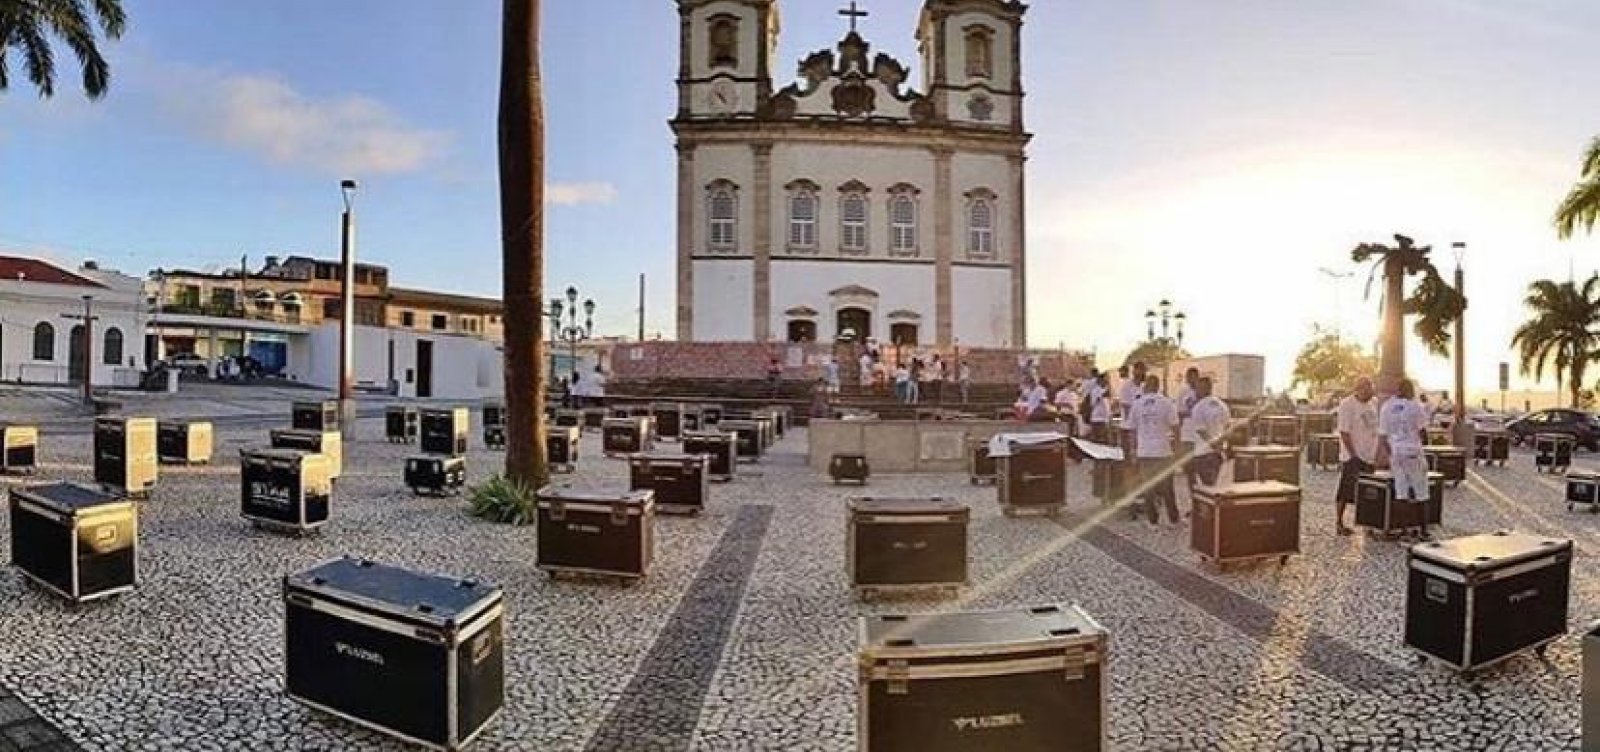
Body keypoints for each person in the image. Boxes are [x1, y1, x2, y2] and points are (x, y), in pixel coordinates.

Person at [1379, 377, 1433, 540]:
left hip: (1396, 452)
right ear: (1409, 390)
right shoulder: (1415, 406)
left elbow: (1382, 436)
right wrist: (1424, 445)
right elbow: (1422, 431)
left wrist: (1391, 452)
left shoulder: (1386, 407)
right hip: (1413, 452)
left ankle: (1403, 531)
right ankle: (1423, 531)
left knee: (1401, 493)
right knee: (1421, 491)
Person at [1130, 374, 1180, 525]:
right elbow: (1176, 427)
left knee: (1148, 488)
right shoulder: (1167, 403)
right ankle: (1173, 519)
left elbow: (1132, 430)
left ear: (1146, 386)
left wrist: (1133, 450)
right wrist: (1177, 448)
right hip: (1163, 451)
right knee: (1167, 488)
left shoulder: (1137, 404)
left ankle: (1153, 521)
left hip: (1144, 451)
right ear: (1158, 386)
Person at [1335, 376, 1380, 536]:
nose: (1369, 394)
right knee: (1346, 491)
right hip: (1352, 457)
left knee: (1368, 492)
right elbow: (1344, 432)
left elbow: (1375, 429)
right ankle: (1339, 522)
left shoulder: (1373, 403)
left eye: (1371, 390)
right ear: (1359, 389)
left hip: (1369, 456)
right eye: (1366, 390)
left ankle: (1368, 525)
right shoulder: (1347, 405)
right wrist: (1353, 455)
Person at [1188, 376, 1231, 486]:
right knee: (1213, 484)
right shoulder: (1222, 406)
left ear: (1204, 388)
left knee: (1207, 488)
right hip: (1217, 453)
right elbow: (1228, 428)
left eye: (1197, 388)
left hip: (1203, 452)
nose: (1196, 391)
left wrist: (1214, 445)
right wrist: (1220, 446)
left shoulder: (1198, 407)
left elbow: (1202, 432)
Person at [1175, 367, 1201, 490]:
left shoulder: (1203, 392)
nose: (1190, 380)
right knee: (1189, 469)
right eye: (1188, 377)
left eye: (1193, 377)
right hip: (1187, 434)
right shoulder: (1183, 392)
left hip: (1201, 436)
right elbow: (1179, 413)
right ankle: (1193, 494)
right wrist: (1178, 435)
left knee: (1201, 466)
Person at [1086, 371, 1111, 443]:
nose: (1107, 381)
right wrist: (1102, 395)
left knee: (1105, 440)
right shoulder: (1095, 390)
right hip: (1097, 418)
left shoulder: (1105, 390)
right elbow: (1093, 402)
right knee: (1098, 441)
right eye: (1106, 379)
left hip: (1105, 418)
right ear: (1101, 379)